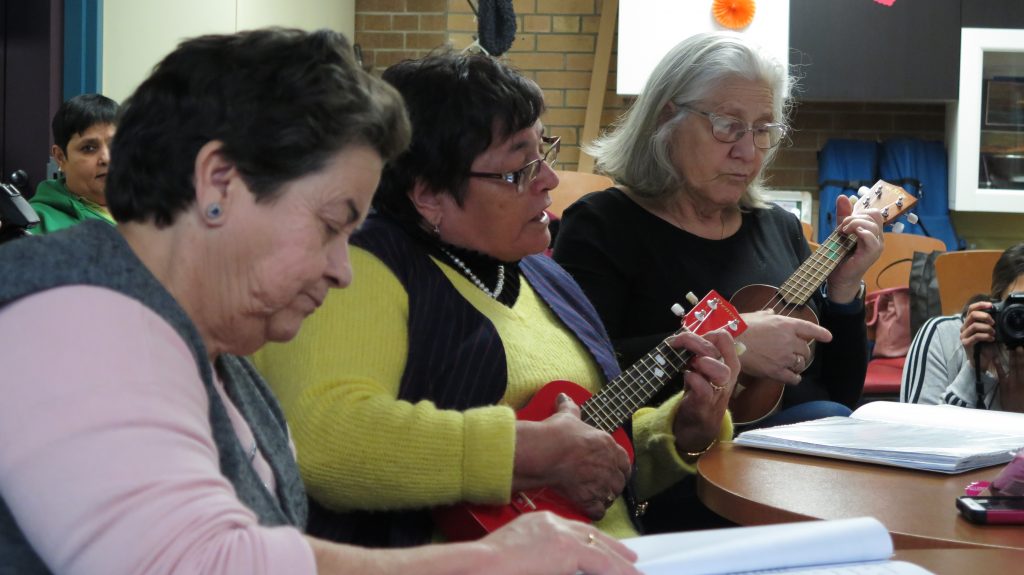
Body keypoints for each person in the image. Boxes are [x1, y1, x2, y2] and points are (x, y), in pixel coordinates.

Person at [0, 29, 641, 575]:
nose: (342, 270)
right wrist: (487, 560)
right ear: (218, 183)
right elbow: (198, 560)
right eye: (333, 224)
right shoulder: (71, 309)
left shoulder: (221, 362)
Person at [252, 51, 741, 547]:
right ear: (429, 195)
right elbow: (324, 440)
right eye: (518, 168)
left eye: (543, 152)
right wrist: (525, 452)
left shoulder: (543, 276)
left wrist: (680, 432)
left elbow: (584, 464)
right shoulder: (361, 269)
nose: (550, 180)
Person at [552, 32, 884, 430]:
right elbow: (582, 375)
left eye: (763, 129)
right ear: (666, 118)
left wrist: (845, 292)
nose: (747, 152)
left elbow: (839, 394)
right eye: (728, 126)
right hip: (672, 466)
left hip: (803, 459)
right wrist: (732, 344)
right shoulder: (602, 224)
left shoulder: (779, 227)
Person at [901, 242, 1024, 410]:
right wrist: (974, 371)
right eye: (1019, 307)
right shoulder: (942, 337)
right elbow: (918, 433)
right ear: (997, 303)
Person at [29, 93, 119, 234]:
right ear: (60, 157)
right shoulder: (36, 224)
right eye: (89, 148)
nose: (107, 159)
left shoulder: (152, 209)